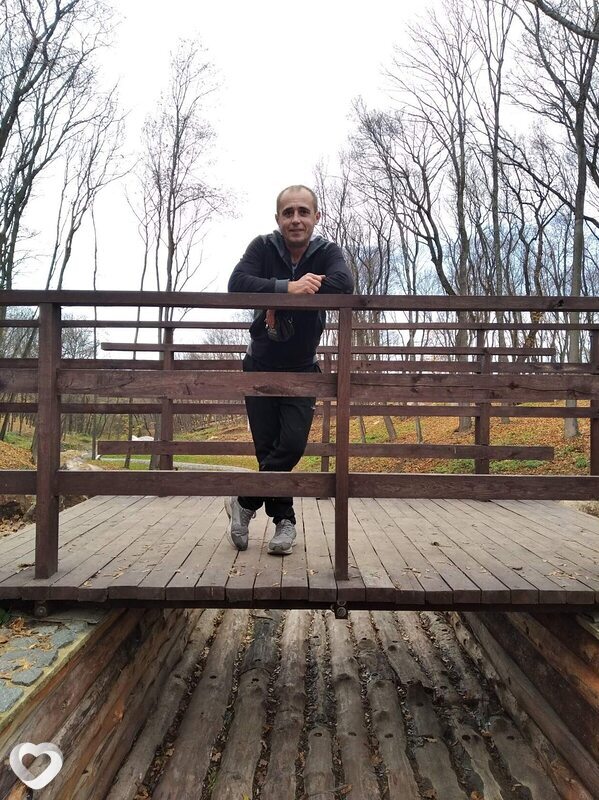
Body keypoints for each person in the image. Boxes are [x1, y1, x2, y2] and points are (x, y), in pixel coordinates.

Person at [225, 185, 354, 555]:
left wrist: (301, 287)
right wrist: (288, 288)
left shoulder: (327, 252)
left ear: (316, 217)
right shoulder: (262, 247)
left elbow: (344, 283)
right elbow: (237, 283)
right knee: (267, 448)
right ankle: (285, 522)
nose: (295, 219)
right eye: (288, 212)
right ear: (278, 218)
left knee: (292, 444)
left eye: (303, 211)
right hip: (260, 364)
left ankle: (244, 501)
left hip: (302, 367)